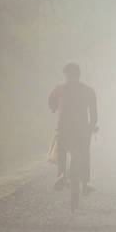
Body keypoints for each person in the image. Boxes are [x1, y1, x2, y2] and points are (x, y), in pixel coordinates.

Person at [48, 63, 98, 195]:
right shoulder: (88, 90)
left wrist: (54, 108)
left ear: (66, 75)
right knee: (85, 153)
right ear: (79, 75)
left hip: (63, 129)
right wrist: (92, 126)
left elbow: (51, 104)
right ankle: (85, 184)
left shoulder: (59, 89)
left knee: (61, 149)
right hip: (82, 131)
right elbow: (94, 114)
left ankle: (62, 175)